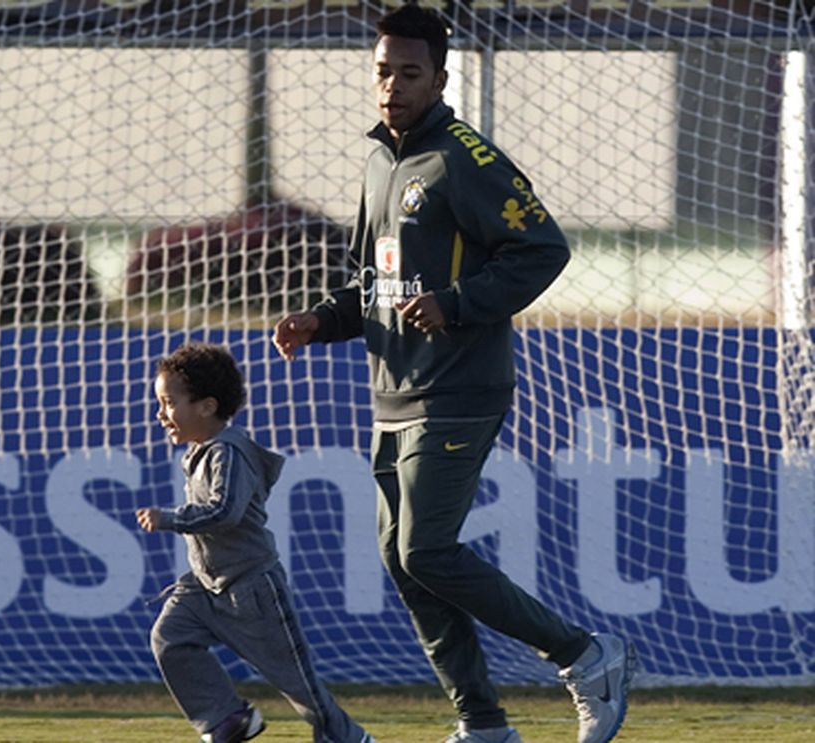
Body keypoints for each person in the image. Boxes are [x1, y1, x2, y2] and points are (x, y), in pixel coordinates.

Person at [271, 5, 632, 743]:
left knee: (424, 549)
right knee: (405, 564)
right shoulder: (381, 162)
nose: (392, 86)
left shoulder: (464, 157)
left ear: (439, 77)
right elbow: (374, 282)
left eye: (409, 73)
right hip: (393, 390)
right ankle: (483, 723)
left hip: (459, 387)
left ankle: (586, 655)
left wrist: (459, 303)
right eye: (382, 71)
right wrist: (321, 319)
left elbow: (542, 249)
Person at [136, 342, 376, 743]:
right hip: (206, 584)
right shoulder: (199, 452)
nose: (161, 414)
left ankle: (347, 738)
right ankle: (226, 718)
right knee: (170, 639)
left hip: (251, 588)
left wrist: (170, 518)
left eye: (168, 402)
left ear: (207, 406)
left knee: (300, 686)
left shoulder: (229, 453)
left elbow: (224, 511)